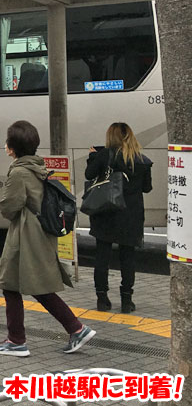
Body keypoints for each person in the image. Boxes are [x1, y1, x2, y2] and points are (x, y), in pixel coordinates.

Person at [0, 121, 95, 357]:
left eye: (7, 141)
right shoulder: (38, 166)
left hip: (25, 236)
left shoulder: (19, 171)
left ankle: (17, 341)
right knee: (33, 285)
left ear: (12, 147)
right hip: (39, 233)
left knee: (12, 284)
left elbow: (9, 207)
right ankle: (75, 329)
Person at [85, 122, 152, 313]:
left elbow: (89, 174)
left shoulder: (103, 156)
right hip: (130, 215)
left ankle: (102, 300)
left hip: (105, 211)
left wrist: (92, 156)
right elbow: (147, 188)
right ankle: (126, 301)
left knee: (102, 256)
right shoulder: (141, 160)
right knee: (128, 257)